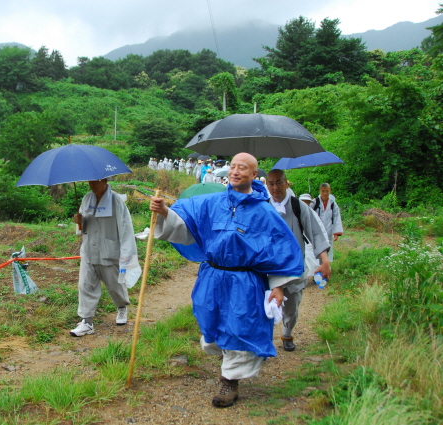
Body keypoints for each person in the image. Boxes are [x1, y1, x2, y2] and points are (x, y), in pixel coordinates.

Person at [150, 153, 303, 408]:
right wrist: (165, 210)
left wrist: (277, 286)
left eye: (243, 168)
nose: (235, 171)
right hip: (212, 277)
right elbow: (188, 227)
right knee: (211, 320)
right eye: (232, 166)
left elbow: (279, 249)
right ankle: (229, 359)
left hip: (245, 282)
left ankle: (229, 380)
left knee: (240, 325)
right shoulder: (211, 202)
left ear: (255, 175)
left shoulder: (264, 211)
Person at [266, 170, 331, 352]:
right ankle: (263, 341)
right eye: (271, 184)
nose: (275, 187)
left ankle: (287, 334)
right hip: (269, 269)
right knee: (267, 305)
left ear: (287, 183)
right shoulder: (263, 207)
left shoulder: (298, 206)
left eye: (279, 183)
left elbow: (316, 233)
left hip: (294, 269)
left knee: (291, 308)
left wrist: (324, 261)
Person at [70, 178, 140, 337]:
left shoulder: (116, 201)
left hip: (109, 250)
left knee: (115, 284)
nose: (91, 185)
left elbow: (125, 227)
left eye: (95, 182)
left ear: (105, 180)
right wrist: (80, 222)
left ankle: (122, 308)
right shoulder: (87, 199)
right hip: (89, 249)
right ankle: (86, 322)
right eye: (89, 182)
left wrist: (127, 252)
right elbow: (83, 226)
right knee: (85, 285)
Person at [310, 183, 343, 262]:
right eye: (323, 191)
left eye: (327, 191)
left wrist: (336, 233)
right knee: (316, 247)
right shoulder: (314, 202)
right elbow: (308, 214)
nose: (325, 193)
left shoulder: (333, 204)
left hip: (328, 229)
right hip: (316, 230)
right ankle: (316, 264)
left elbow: (336, 218)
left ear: (330, 191)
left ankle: (326, 264)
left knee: (327, 247)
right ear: (320, 191)